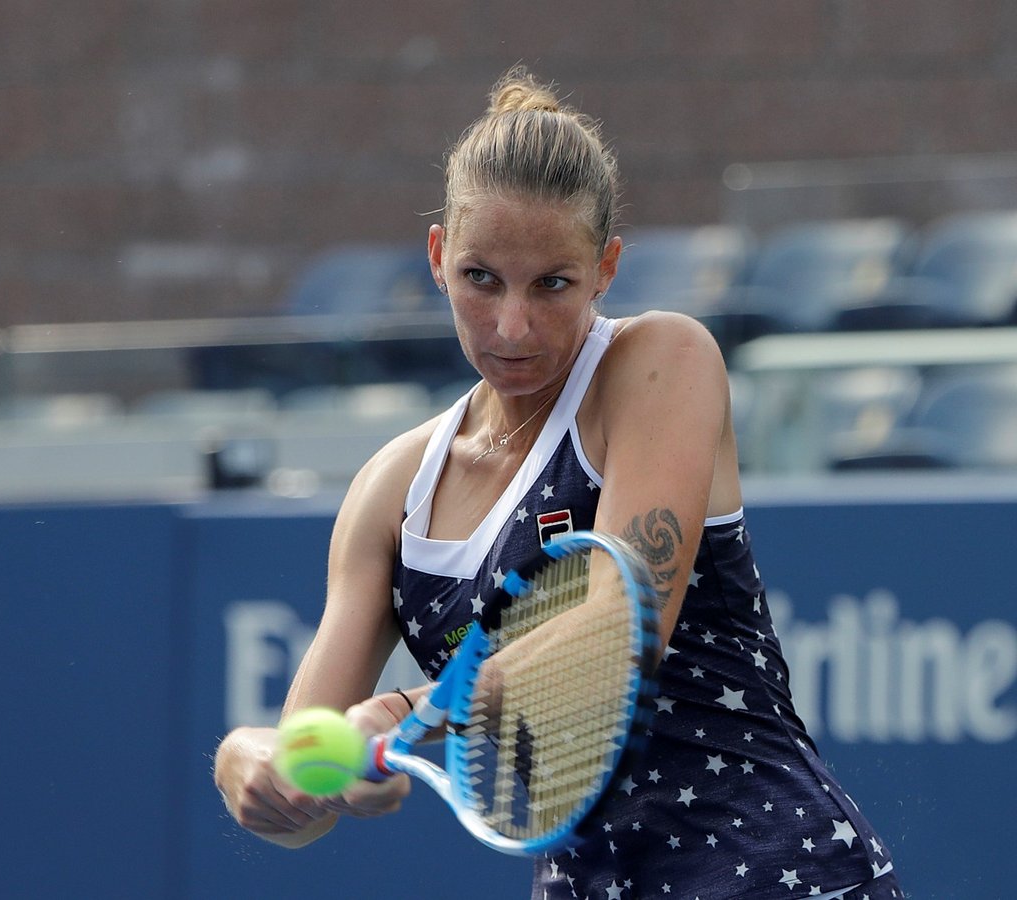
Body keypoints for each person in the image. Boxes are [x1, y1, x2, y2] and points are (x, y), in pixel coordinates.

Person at [214, 66, 904, 900]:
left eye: (553, 284)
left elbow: (621, 634)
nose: (513, 325)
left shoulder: (662, 362)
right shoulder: (388, 490)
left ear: (606, 267)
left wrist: (407, 713)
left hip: (775, 876)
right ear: (438, 258)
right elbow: (308, 781)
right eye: (481, 278)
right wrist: (252, 762)